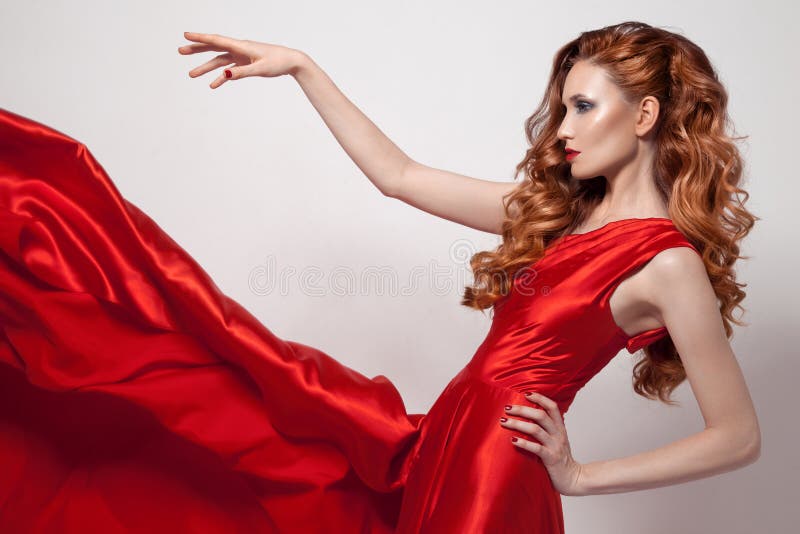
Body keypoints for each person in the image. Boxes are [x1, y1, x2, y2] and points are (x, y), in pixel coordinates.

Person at [0, 20, 760, 533]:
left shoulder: (668, 263)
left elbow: (738, 437)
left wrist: (581, 475)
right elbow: (398, 175)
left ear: (645, 114)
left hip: (497, 467)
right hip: (442, 443)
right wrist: (303, 68)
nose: (561, 129)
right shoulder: (557, 217)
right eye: (562, 107)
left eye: (583, 107)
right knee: (238, 398)